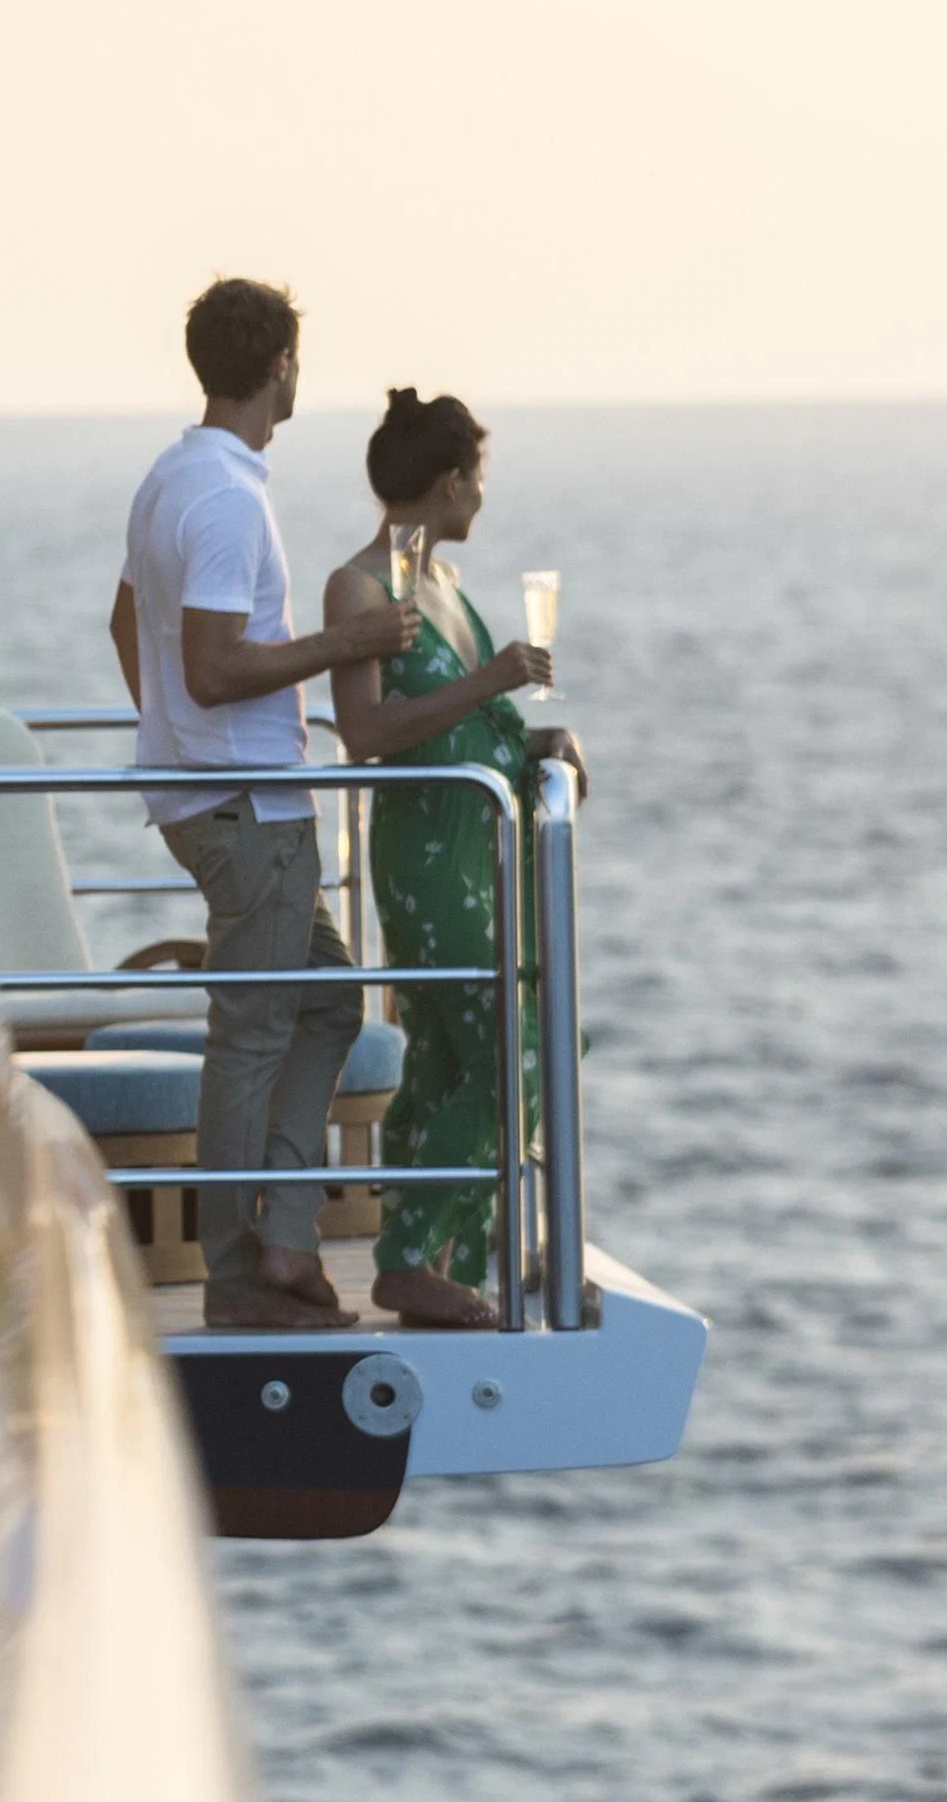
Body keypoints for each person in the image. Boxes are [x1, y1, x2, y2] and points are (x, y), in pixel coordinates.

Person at [110, 280, 420, 1330]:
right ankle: (242, 1273)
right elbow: (208, 666)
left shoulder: (173, 479)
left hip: (233, 799)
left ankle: (283, 1241)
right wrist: (351, 645)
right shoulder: (228, 498)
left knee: (327, 1005)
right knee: (250, 1035)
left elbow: (126, 624)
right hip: (250, 808)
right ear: (281, 365)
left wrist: (173, 748)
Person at [317, 389, 587, 1329]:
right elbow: (365, 733)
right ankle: (416, 1255)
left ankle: (446, 1253)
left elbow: (471, 717)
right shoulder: (360, 589)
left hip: (485, 846)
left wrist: (541, 743)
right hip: (428, 854)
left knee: (446, 1061)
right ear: (448, 481)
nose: (483, 493)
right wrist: (492, 677)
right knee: (522, 1043)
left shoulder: (442, 581)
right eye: (478, 474)